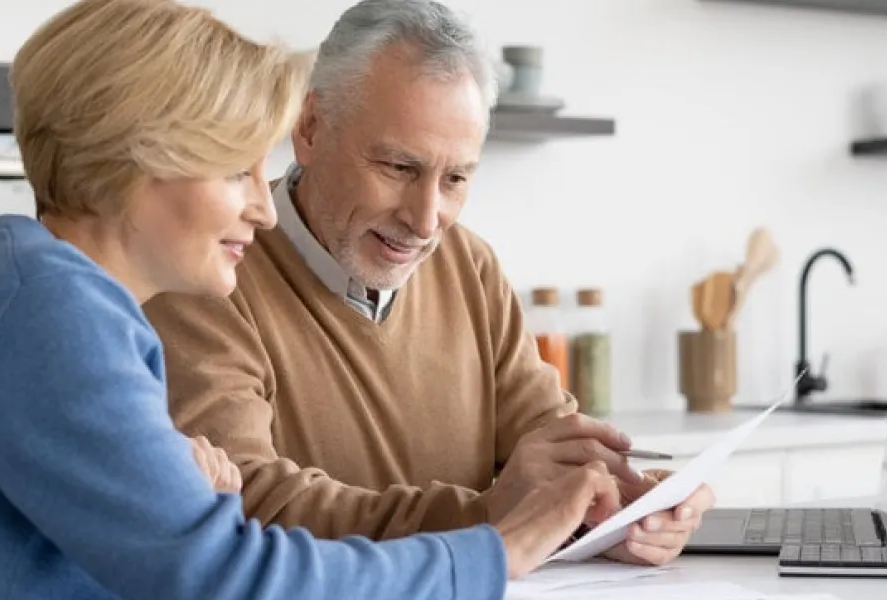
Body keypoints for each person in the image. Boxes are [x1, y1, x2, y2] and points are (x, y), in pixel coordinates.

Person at [0, 1, 626, 598]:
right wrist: (495, 550)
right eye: (235, 171)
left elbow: (183, 549)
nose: (264, 208)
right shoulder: (51, 316)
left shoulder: (41, 294)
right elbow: (227, 575)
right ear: (140, 163)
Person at [143, 0, 714, 566]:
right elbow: (249, 501)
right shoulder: (206, 274)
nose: (425, 219)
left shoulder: (470, 265)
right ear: (311, 128)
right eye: (399, 168)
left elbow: (550, 442)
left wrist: (630, 501)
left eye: (457, 178)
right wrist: (490, 520)